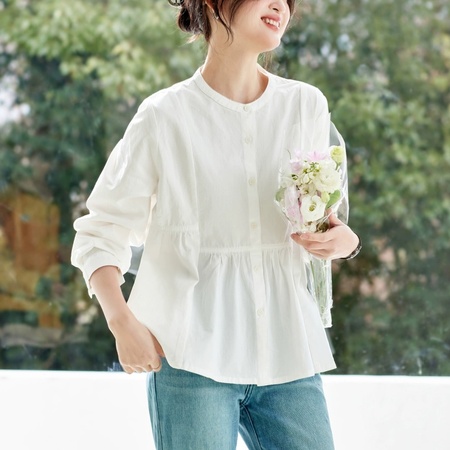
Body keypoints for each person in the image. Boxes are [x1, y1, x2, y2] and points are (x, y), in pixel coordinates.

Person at [71, 0, 361, 448]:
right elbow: (101, 230)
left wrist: (344, 241)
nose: (280, 6)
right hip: (190, 359)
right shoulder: (164, 116)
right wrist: (121, 322)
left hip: (287, 352)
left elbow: (320, 221)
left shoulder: (305, 105)